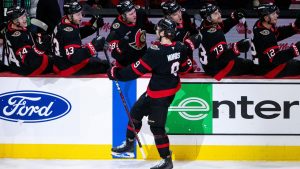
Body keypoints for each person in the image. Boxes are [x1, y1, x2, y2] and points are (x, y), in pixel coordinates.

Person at [107, 18, 192, 169]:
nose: (156, 30)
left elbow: (135, 70)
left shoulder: (156, 51)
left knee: (156, 127)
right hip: (159, 90)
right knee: (136, 112)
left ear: (164, 33)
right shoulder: (180, 47)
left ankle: (166, 160)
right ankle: (129, 143)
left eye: (159, 29)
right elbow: (185, 68)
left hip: (161, 95)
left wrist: (117, 73)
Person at [51, 1, 109, 76]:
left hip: (59, 64)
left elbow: (76, 35)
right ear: (70, 15)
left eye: (81, 13)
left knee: (96, 60)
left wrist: (93, 26)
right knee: (105, 65)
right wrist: (93, 47)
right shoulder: (68, 31)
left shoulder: (65, 21)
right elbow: (74, 57)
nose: (81, 17)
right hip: (67, 68)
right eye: (78, 14)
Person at [198, 3, 253, 81]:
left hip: (209, 66)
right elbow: (222, 58)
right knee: (251, 65)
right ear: (208, 18)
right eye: (215, 14)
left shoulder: (206, 25)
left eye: (218, 12)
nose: (219, 15)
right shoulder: (214, 34)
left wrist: (234, 18)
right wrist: (238, 47)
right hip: (217, 68)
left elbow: (222, 27)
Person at [0, 6, 53, 76]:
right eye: (22, 17)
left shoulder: (9, 26)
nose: (25, 18)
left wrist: (37, 36)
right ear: (15, 20)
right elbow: (30, 61)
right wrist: (40, 48)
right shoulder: (18, 36)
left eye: (24, 16)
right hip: (27, 69)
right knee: (58, 62)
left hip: (15, 65)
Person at [252, 3, 300, 78]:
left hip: (262, 66)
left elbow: (277, 33)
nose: (277, 15)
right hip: (269, 70)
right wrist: (296, 48)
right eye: (273, 14)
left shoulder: (260, 24)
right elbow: (276, 59)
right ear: (266, 18)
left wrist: (294, 27)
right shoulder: (265, 35)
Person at [106, 0, 155, 67]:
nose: (135, 15)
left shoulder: (140, 13)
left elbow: (148, 27)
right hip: (126, 65)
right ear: (123, 15)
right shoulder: (117, 28)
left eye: (134, 11)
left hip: (143, 61)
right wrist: (121, 44)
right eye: (131, 14)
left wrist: (160, 29)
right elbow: (116, 54)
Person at [161, 0, 200, 72]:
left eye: (179, 11)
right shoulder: (165, 30)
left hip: (188, 60)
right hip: (175, 66)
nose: (180, 16)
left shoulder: (184, 16)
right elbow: (169, 52)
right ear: (168, 16)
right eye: (175, 14)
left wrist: (197, 34)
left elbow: (194, 32)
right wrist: (188, 45)